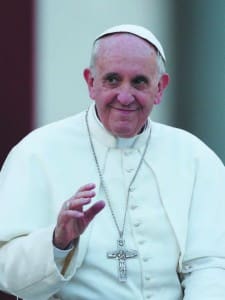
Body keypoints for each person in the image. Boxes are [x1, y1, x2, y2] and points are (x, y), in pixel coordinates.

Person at [0, 24, 225, 300]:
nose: (125, 96)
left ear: (160, 87)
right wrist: (58, 243)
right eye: (112, 79)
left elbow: (212, 264)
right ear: (90, 83)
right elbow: (6, 272)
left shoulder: (195, 158)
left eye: (139, 81)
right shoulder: (37, 152)